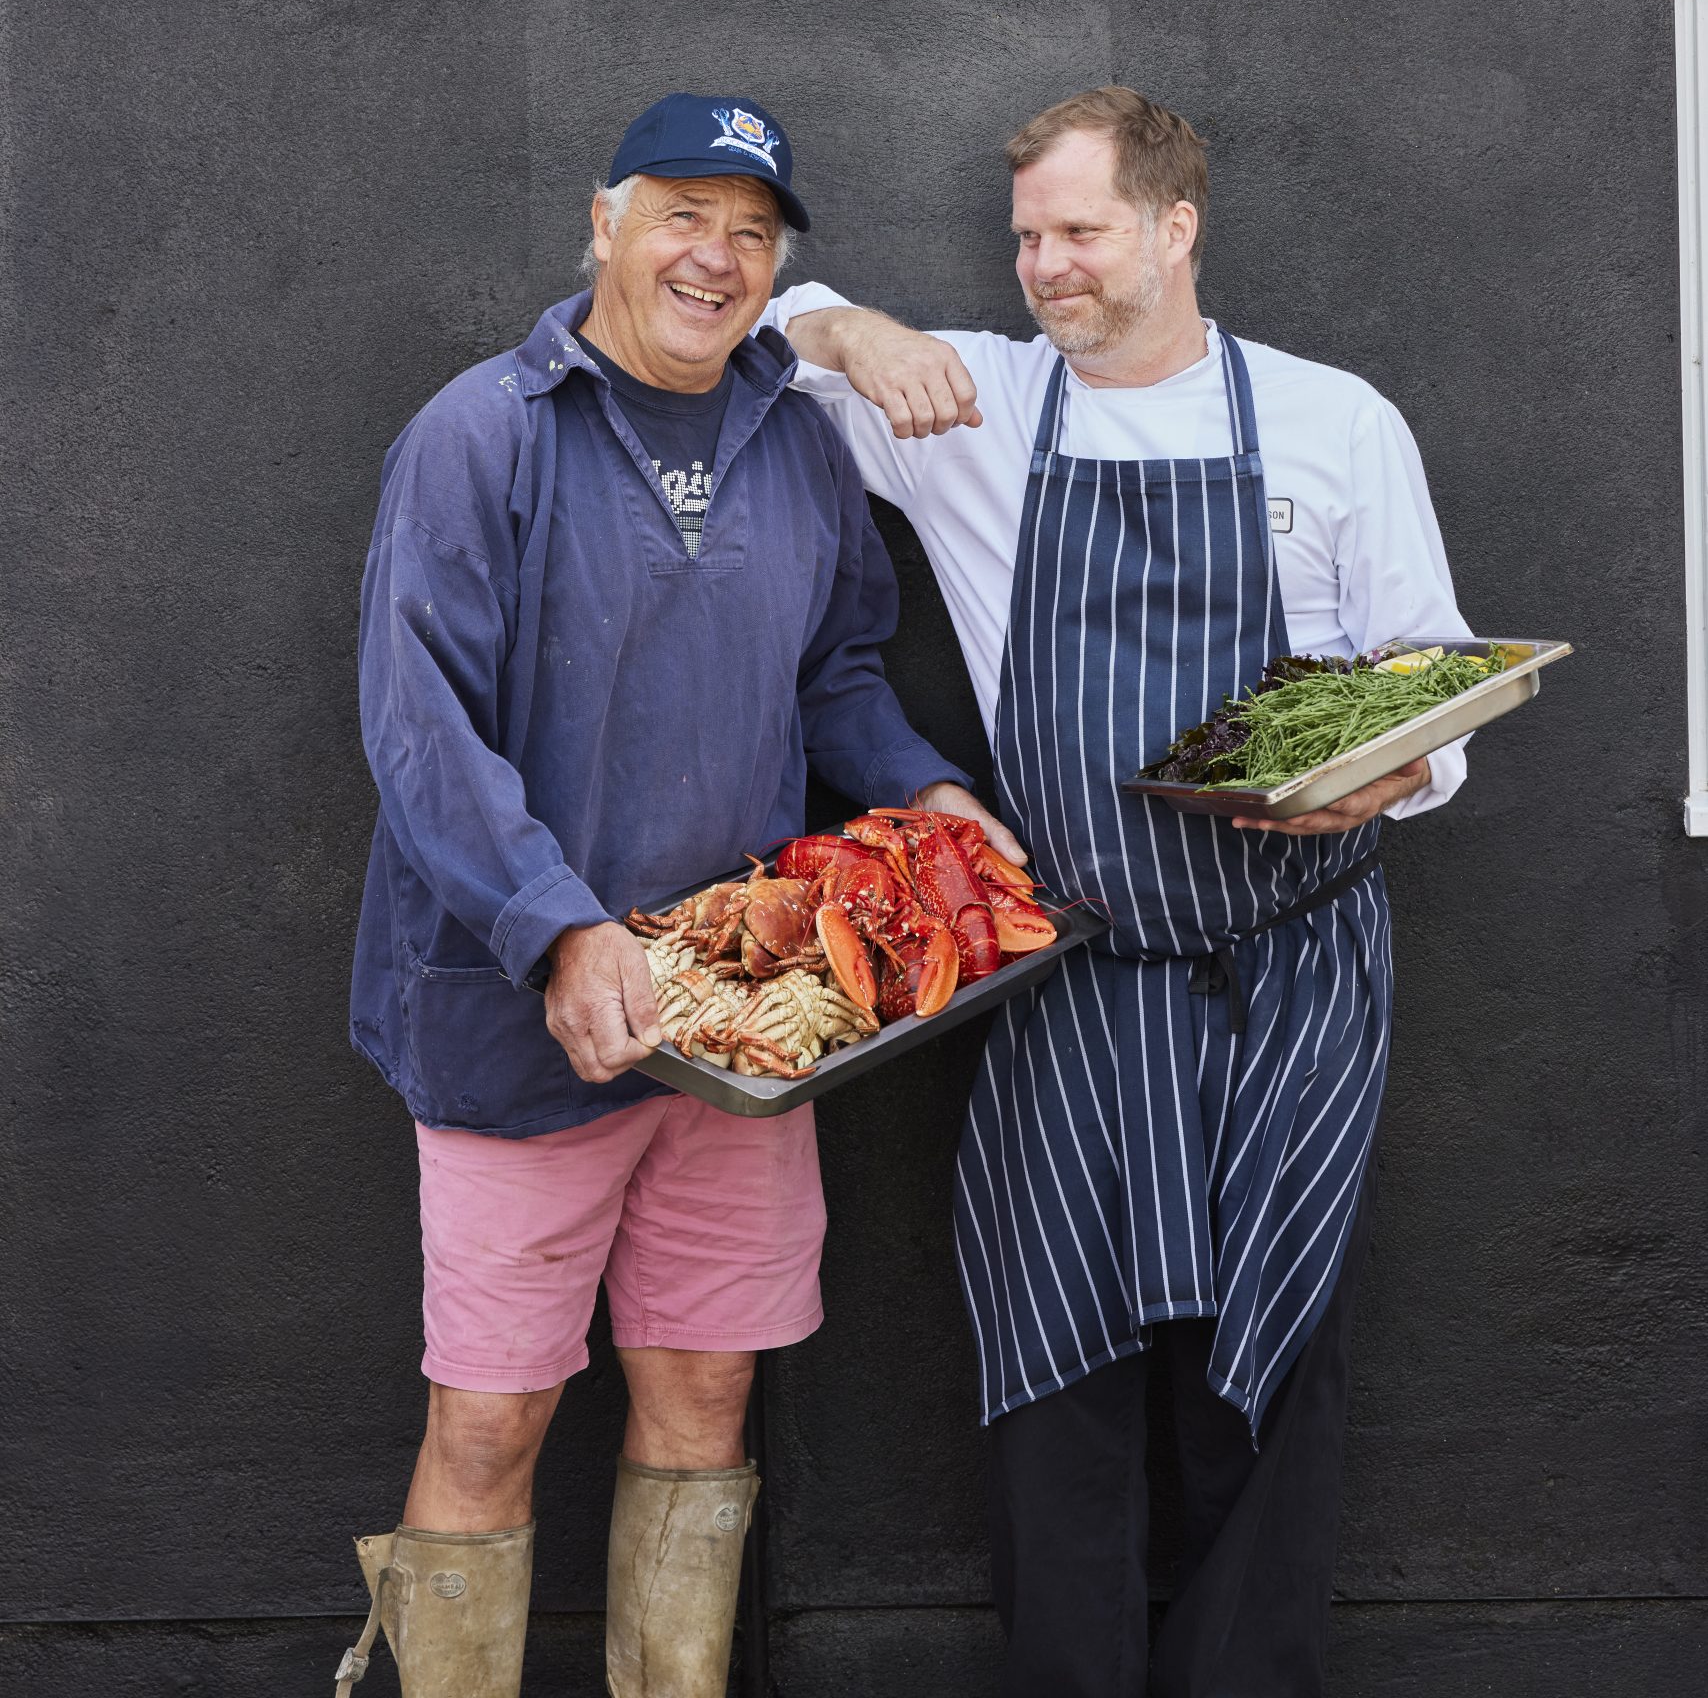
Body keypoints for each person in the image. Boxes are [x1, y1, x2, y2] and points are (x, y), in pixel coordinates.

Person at [771, 85, 1471, 1698]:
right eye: (1026, 238)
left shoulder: (1332, 420)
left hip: (1296, 958)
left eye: (1079, 232)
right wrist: (856, 329)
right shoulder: (973, 405)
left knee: (1273, 1359)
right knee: (1056, 1364)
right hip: (1070, 967)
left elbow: (1428, 677)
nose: (1046, 268)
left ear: (1175, 227)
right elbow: (755, 324)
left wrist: (1392, 773)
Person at [336, 92, 1007, 1698]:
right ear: (604, 221)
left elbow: (837, 669)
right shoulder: (482, 431)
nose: (716, 256)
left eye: (752, 230)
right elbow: (418, 729)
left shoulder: (793, 436)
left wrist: (925, 788)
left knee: (705, 1408)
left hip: (745, 1018)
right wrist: (559, 927)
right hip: (520, 1030)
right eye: (682, 215)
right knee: (490, 1419)